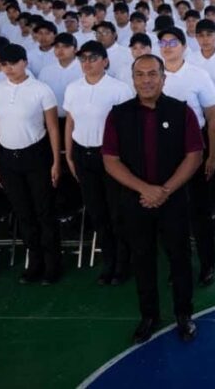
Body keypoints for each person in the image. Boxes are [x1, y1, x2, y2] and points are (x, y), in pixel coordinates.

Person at [102, 54, 202, 344]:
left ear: (163, 78)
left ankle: (184, 314)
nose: (146, 80)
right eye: (140, 74)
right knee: (142, 260)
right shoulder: (118, 115)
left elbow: (194, 156)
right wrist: (144, 189)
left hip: (173, 201)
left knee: (180, 258)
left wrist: (164, 191)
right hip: (135, 202)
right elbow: (110, 160)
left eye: (152, 74)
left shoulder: (181, 112)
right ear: (132, 79)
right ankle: (149, 315)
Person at [0, 44, 62, 284]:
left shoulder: (41, 90)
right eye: (4, 64)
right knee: (23, 213)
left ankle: (52, 265)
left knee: (43, 212)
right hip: (7, 158)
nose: (8, 68)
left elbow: (52, 128)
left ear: (25, 62)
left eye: (13, 63)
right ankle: (34, 262)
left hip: (36, 156)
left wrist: (56, 162)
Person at [63, 41, 135, 285]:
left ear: (105, 61)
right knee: (97, 213)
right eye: (83, 59)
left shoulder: (119, 89)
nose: (87, 63)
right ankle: (109, 262)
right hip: (84, 156)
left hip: (111, 157)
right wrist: (70, 155)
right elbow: (70, 122)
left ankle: (123, 264)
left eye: (93, 58)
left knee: (117, 213)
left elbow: (128, 129)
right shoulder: (73, 88)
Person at [158, 26, 215, 285]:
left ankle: (207, 264)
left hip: (195, 148)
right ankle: (178, 265)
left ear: (184, 46)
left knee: (199, 211)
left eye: (173, 42)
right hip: (163, 152)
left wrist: (213, 155)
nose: (167, 46)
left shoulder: (198, 75)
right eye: (162, 41)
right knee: (171, 212)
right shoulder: (154, 75)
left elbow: (213, 117)